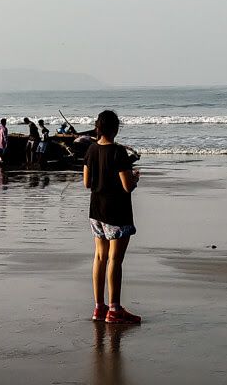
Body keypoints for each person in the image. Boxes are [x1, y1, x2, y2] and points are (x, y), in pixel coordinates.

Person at [83, 110, 141, 324]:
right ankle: (114, 309)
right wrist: (134, 178)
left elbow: (87, 183)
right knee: (115, 259)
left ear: (98, 128)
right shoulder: (119, 152)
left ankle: (99, 307)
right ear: (116, 129)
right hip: (116, 211)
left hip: (96, 210)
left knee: (99, 257)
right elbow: (127, 186)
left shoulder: (91, 149)